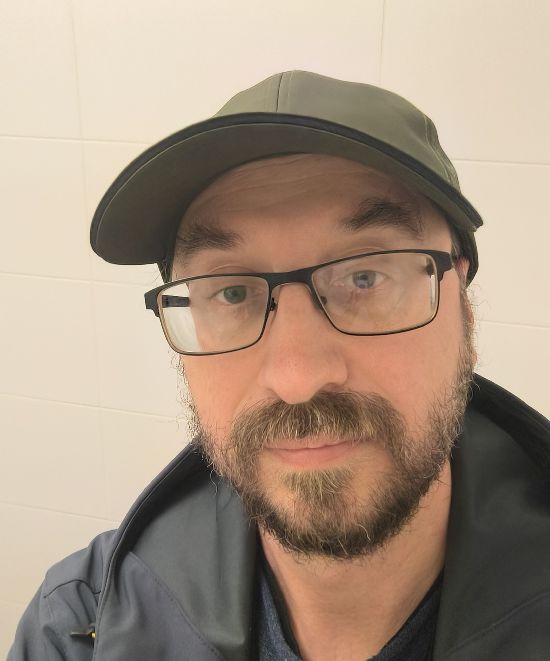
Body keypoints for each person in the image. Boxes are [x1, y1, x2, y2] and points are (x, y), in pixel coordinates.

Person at [9, 71, 550, 661]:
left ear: (462, 306)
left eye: (365, 277)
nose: (297, 379)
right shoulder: (79, 628)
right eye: (232, 293)